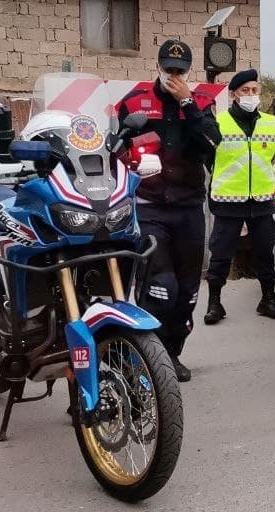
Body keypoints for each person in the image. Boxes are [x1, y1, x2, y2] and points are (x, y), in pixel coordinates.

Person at [116, 39, 222, 382]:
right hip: (150, 207)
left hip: (190, 208)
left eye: (179, 71)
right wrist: (132, 158)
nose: (173, 76)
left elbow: (212, 144)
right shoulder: (135, 101)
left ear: (188, 72)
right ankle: (147, 358)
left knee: (188, 293)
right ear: (157, 67)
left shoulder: (202, 103)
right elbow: (116, 149)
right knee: (162, 288)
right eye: (168, 69)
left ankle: (171, 355)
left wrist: (187, 103)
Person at [203, 69, 275, 324]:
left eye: (254, 90)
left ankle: (268, 298)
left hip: (261, 199)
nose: (251, 95)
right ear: (233, 95)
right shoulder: (220, 122)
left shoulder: (269, 123)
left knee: (264, 250)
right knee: (221, 253)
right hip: (229, 199)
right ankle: (214, 303)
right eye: (245, 91)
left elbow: (270, 156)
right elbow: (210, 160)